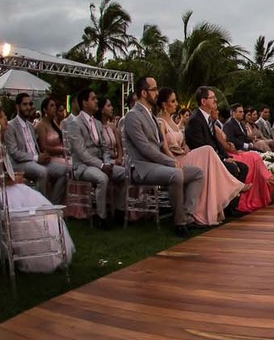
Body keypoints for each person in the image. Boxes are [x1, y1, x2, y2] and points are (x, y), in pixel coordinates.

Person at [0, 105, 74, 271]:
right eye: (1, 117)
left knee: (33, 197)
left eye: (4, 116)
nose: (5, 119)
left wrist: (15, 178)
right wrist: (14, 181)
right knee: (29, 201)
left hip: (3, 185)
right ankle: (35, 251)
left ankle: (48, 250)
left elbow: (5, 174)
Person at [120, 77, 205, 236]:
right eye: (154, 89)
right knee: (176, 174)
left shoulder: (150, 115)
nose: (157, 93)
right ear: (144, 93)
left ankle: (187, 216)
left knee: (198, 173)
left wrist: (176, 153)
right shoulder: (132, 116)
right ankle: (179, 223)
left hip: (156, 165)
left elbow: (160, 144)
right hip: (140, 168)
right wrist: (170, 161)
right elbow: (144, 148)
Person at [156, 88, 246, 225]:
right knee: (208, 150)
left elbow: (183, 143)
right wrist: (173, 160)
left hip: (185, 154)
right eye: (173, 101)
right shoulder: (160, 122)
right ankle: (235, 186)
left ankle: (232, 190)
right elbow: (163, 147)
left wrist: (184, 147)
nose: (176, 104)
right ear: (164, 104)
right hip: (174, 159)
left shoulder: (174, 123)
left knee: (209, 151)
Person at [67, 88, 127, 228]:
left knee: (125, 173)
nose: (96, 101)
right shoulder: (74, 124)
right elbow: (82, 153)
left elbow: (105, 148)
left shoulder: (98, 123)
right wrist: (101, 166)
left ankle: (119, 210)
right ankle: (102, 217)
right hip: (82, 166)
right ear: (85, 103)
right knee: (102, 178)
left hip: (100, 163)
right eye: (93, 99)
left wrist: (107, 162)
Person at [4, 93, 67, 204]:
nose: (28, 107)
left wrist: (42, 156)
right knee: (42, 172)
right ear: (17, 107)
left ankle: (53, 204)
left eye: (30, 104)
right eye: (25, 104)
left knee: (65, 170)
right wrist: (36, 158)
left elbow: (37, 147)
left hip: (37, 160)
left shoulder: (30, 126)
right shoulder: (11, 126)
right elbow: (14, 153)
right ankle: (40, 206)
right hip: (20, 163)